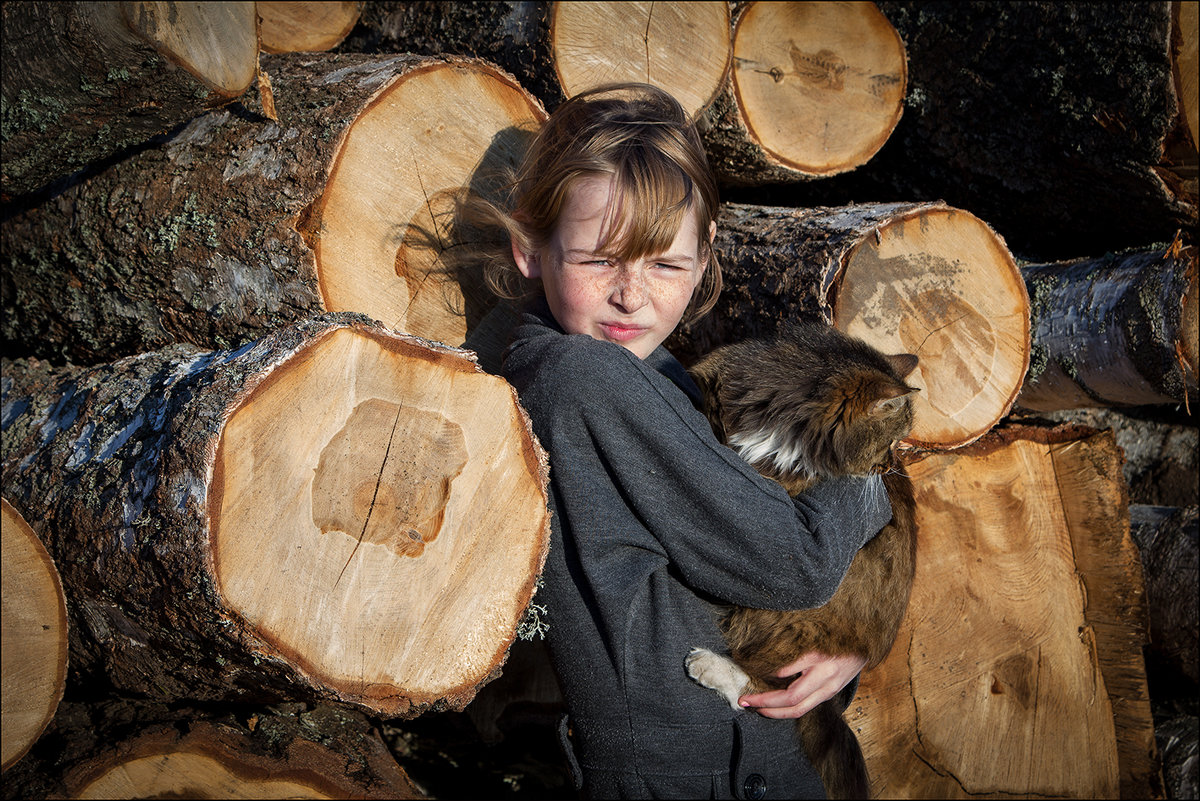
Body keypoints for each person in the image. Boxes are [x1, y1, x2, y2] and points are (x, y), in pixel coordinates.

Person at [484, 83, 893, 799]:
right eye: (599, 259)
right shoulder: (583, 377)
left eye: (665, 265)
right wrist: (864, 465)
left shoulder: (659, 374)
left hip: (750, 757)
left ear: (704, 258)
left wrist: (835, 644)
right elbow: (795, 559)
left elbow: (777, 562)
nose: (632, 295)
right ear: (529, 248)